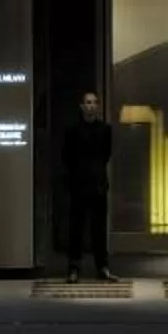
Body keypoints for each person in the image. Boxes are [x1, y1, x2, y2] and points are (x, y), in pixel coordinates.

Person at [61, 88, 116, 283]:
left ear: (98, 106)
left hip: (98, 185)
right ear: (82, 106)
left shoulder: (105, 130)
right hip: (78, 185)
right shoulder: (72, 131)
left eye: (94, 102)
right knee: (76, 228)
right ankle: (73, 268)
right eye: (88, 102)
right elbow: (66, 157)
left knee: (98, 229)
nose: (91, 106)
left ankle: (102, 267)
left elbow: (106, 155)